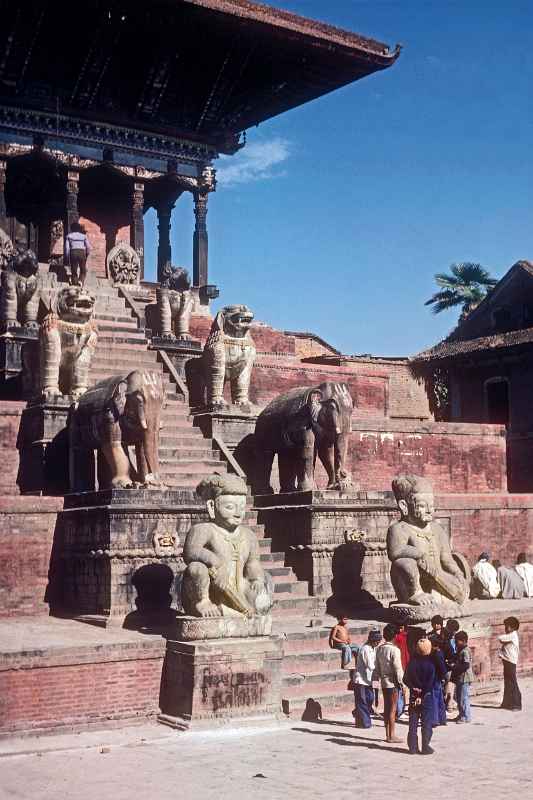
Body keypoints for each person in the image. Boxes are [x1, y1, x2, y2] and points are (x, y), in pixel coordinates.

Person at [387, 475, 468, 606]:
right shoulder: (399, 528)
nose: (430, 510)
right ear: (404, 506)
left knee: (458, 592)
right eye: (422, 506)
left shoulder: (437, 529)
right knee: (404, 562)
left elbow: (447, 559)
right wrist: (419, 554)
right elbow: (395, 551)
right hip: (411, 582)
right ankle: (416, 593)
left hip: (437, 577)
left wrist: (458, 574)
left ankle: (441, 595)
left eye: (432, 505)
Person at [403, 637, 436, 755]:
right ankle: (425, 746)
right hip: (426, 697)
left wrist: (414, 688)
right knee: (426, 722)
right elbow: (430, 683)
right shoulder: (431, 665)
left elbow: (405, 679)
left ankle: (413, 747)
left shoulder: (412, 663)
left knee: (413, 722)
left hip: (413, 696)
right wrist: (421, 694)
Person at [375, 623, 404, 743]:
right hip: (393, 683)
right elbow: (398, 668)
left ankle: (387, 734)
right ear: (394, 636)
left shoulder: (379, 649)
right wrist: (401, 682)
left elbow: (376, 667)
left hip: (384, 682)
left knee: (387, 709)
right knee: (392, 710)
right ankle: (391, 735)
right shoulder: (394, 650)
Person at [353, 629, 382, 728]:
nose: (378, 643)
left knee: (370, 699)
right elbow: (370, 665)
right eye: (376, 641)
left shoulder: (374, 648)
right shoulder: (365, 649)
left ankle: (357, 712)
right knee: (362, 701)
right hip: (361, 680)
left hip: (369, 680)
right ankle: (365, 723)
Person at [498, 616, 522, 711]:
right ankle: (507, 702)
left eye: (507, 626)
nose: (505, 628)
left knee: (512, 682)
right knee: (507, 682)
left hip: (511, 662)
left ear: (512, 627)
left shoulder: (513, 635)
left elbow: (501, 638)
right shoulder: (511, 635)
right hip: (507, 661)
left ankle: (517, 704)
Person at [451, 631, 474, 723]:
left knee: (463, 698)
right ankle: (461, 714)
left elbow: (466, 665)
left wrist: (455, 667)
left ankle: (466, 716)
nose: (456, 643)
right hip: (460, 678)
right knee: (458, 697)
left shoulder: (465, 651)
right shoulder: (460, 650)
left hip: (465, 678)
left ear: (463, 641)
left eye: (457, 641)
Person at [65, 222, 91, 286]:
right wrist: (87, 254)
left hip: (73, 252)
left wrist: (67, 256)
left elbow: (67, 248)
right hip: (82, 252)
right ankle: (81, 281)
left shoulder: (69, 236)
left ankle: (75, 282)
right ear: (79, 229)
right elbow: (88, 247)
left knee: (74, 269)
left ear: (71, 229)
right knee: (83, 269)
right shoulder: (84, 236)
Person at [429, 636, 448, 726]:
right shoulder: (440, 653)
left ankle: (434, 720)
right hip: (438, 679)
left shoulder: (435, 654)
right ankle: (442, 719)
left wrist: (443, 676)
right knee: (440, 699)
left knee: (434, 699)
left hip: (435, 679)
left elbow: (441, 667)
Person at [442, 618, 459, 710]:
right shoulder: (444, 638)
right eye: (453, 632)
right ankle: (449, 703)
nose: (454, 634)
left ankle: (450, 702)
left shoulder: (453, 638)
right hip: (446, 665)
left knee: (451, 684)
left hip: (452, 664)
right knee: (449, 683)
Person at [394, 622, 410, 718]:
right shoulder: (405, 636)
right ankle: (402, 709)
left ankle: (402, 709)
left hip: (402, 664)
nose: (400, 630)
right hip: (403, 663)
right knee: (403, 688)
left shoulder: (398, 637)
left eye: (401, 628)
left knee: (402, 688)